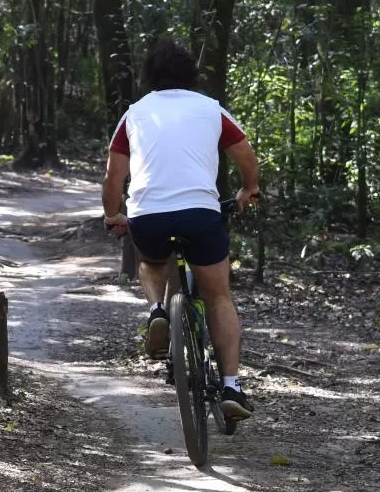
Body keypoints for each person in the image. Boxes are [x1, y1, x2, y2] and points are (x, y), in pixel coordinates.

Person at [101, 39, 261, 420]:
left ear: (149, 78)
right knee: (219, 296)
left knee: (151, 263)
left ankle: (158, 310)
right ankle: (231, 386)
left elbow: (113, 175)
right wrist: (248, 188)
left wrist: (113, 214)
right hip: (200, 214)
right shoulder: (210, 110)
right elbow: (245, 155)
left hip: (150, 216)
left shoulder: (135, 114)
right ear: (192, 76)